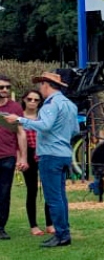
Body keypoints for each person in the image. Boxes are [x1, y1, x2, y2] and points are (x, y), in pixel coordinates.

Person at [5, 71, 79, 248]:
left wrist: (19, 119)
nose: (40, 89)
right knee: (60, 196)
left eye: (40, 85)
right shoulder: (70, 105)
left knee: (53, 198)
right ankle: (64, 231)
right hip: (64, 154)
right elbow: (75, 130)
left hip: (50, 155)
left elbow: (44, 125)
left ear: (46, 85)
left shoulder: (49, 105)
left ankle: (61, 235)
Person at [0, 73, 29, 241]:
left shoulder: (15, 108)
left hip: (7, 156)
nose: (4, 90)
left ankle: (1, 227)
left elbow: (20, 133)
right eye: (1, 87)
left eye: (7, 87)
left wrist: (23, 157)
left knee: (4, 193)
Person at [20, 89, 52, 236]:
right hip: (29, 154)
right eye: (29, 99)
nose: (32, 102)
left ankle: (50, 223)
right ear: (24, 100)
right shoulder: (18, 118)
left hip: (44, 153)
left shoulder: (44, 117)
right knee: (31, 190)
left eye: (36, 100)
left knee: (48, 190)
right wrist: (22, 158)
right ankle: (33, 225)